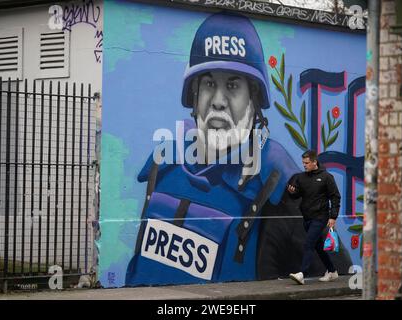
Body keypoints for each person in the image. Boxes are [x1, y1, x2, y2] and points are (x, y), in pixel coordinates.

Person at [124, 12, 300, 286]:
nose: (218, 101)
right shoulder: (163, 166)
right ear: (193, 97)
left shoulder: (280, 187)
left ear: (254, 99)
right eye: (208, 83)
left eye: (233, 85)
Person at [286, 150, 341, 285]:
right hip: (307, 218)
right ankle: (332, 271)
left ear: (314, 162)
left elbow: (335, 197)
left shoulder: (326, 177)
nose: (304, 165)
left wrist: (333, 217)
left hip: (321, 217)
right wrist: (292, 192)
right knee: (317, 246)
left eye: (307, 163)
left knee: (308, 243)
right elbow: (297, 195)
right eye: (303, 163)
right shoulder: (301, 177)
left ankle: (302, 274)